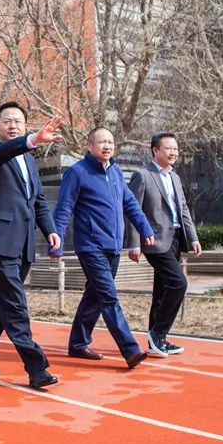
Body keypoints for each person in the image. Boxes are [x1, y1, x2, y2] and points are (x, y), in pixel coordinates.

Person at [0, 102, 63, 390]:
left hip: (24, 243)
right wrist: (31, 140)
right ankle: (36, 368)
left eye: (19, 121)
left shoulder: (29, 161)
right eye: (7, 121)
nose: (13, 125)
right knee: (16, 305)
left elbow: (38, 200)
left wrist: (50, 230)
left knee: (3, 302)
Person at [52, 127, 151, 368]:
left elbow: (130, 204)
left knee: (95, 295)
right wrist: (56, 242)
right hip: (90, 246)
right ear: (89, 146)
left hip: (113, 246)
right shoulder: (77, 172)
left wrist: (145, 229)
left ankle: (78, 343)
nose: (107, 146)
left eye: (110, 142)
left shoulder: (116, 172)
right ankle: (130, 350)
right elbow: (64, 208)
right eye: (102, 142)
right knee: (108, 297)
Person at [126, 133, 202, 357]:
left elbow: (183, 209)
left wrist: (193, 237)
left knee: (161, 291)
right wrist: (134, 244)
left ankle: (156, 342)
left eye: (175, 148)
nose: (173, 152)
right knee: (179, 283)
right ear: (155, 150)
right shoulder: (142, 175)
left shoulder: (175, 177)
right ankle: (157, 333)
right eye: (168, 148)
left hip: (176, 239)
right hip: (154, 240)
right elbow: (132, 210)